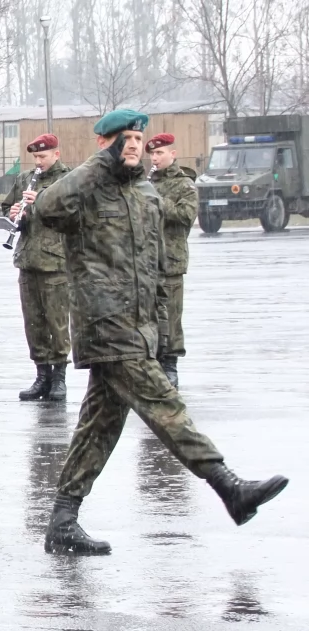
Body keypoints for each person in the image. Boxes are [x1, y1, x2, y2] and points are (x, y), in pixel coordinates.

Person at [34, 109, 288, 555]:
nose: (132, 144)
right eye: (122, 139)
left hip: (141, 327)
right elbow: (47, 207)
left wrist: (161, 330)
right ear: (103, 143)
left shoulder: (148, 195)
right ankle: (229, 487)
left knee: (100, 426)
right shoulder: (88, 189)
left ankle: (62, 519)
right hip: (106, 326)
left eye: (137, 138)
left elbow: (155, 269)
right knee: (165, 405)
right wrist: (100, 164)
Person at [2, 134, 71, 402]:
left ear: (56, 153)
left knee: (56, 321)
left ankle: (59, 377)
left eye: (43, 156)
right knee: (34, 322)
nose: (39, 162)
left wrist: (40, 201)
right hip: (28, 258)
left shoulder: (67, 178)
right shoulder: (25, 178)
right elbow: (8, 204)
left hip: (55, 260)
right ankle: (42, 375)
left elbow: (72, 212)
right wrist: (14, 212)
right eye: (36, 158)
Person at [146, 133, 197, 389]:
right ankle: (152, 363)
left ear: (172, 154)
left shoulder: (184, 184)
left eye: (160, 153)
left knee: (172, 315)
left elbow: (185, 215)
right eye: (153, 154)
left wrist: (158, 202)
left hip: (171, 259)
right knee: (149, 315)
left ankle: (171, 364)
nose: (155, 158)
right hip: (145, 260)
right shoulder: (144, 182)